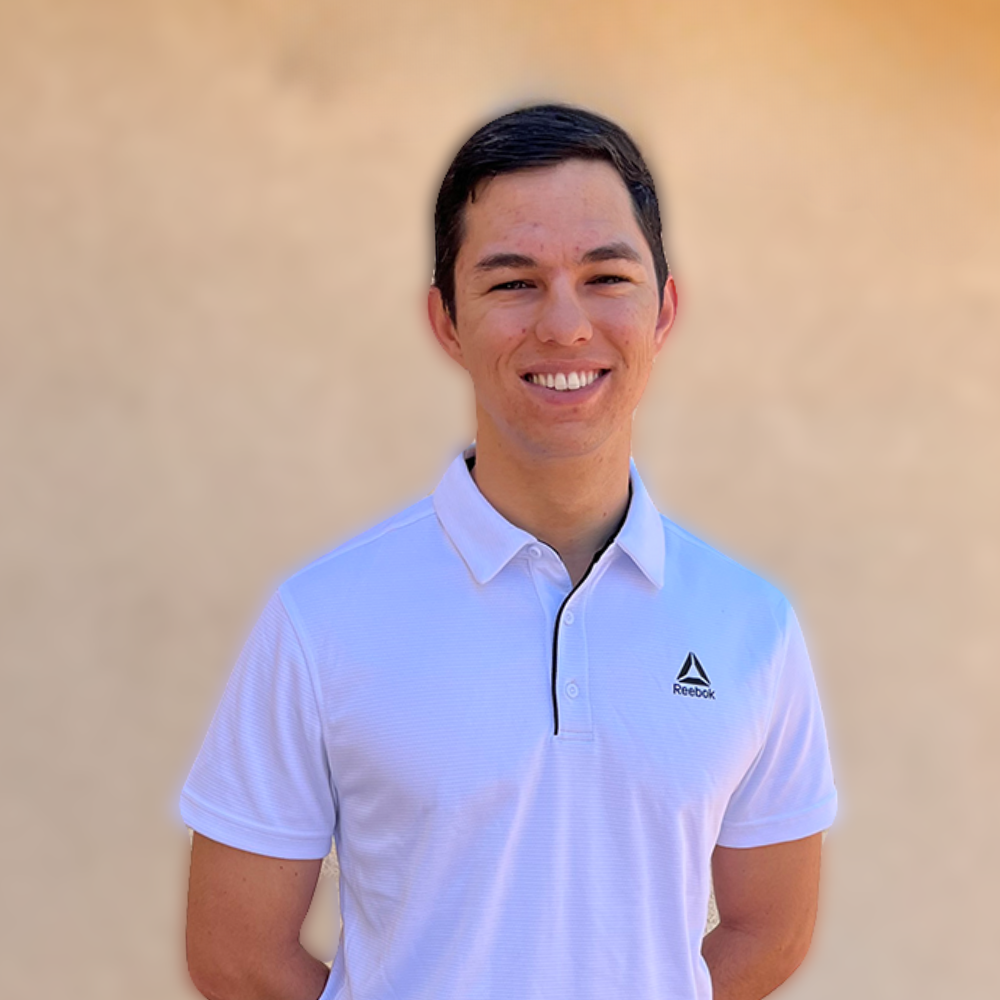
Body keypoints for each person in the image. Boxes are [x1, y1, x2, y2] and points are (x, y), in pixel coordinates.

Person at [181, 103, 837, 1000]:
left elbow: (772, 928)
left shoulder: (751, 626)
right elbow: (235, 953)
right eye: (514, 282)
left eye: (606, 276)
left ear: (664, 310)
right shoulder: (320, 619)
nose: (565, 326)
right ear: (446, 321)